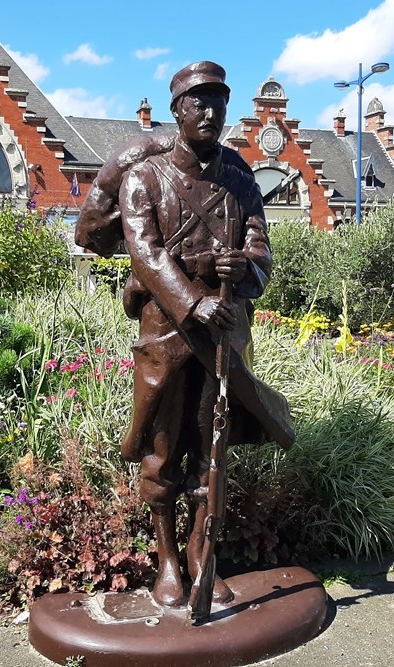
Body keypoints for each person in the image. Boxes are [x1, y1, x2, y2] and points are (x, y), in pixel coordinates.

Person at [106, 61, 296, 607]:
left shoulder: (240, 179)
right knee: (163, 451)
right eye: (198, 103)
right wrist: (192, 302)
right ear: (177, 111)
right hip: (166, 336)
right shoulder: (145, 177)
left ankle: (198, 551)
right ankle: (167, 558)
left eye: (218, 103)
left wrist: (245, 269)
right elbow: (144, 252)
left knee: (213, 453)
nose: (210, 113)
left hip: (224, 341)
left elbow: (262, 251)